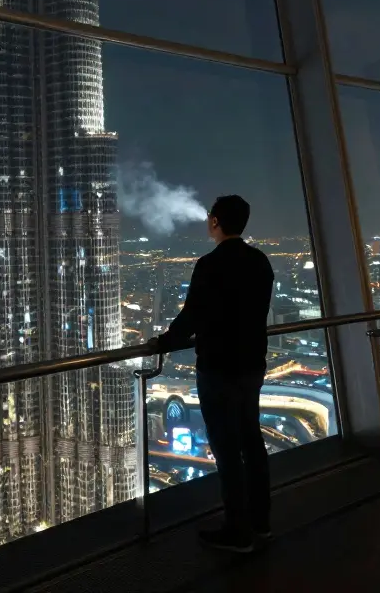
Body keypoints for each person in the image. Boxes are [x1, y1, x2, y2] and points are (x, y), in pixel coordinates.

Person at [154, 194, 275, 553]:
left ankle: (237, 532)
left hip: (218, 367)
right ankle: (261, 522)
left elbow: (191, 317)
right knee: (251, 442)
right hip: (252, 364)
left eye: (210, 216)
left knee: (226, 448)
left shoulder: (210, 265)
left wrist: (164, 342)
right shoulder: (261, 262)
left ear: (215, 222)